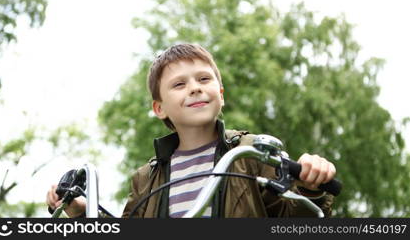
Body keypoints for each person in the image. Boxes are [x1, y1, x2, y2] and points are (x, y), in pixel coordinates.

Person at [46, 43, 336, 218]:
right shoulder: (146, 179)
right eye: (179, 84)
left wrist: (310, 189)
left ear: (220, 94)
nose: (195, 87)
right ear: (159, 108)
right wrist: (82, 212)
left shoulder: (250, 153)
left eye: (203, 79)